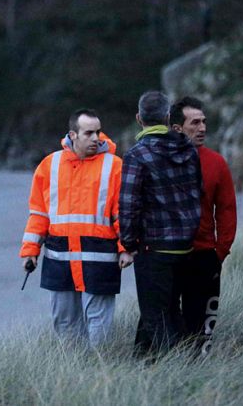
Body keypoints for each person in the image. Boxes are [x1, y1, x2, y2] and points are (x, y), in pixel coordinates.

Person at [19, 109, 132, 347]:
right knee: (65, 324)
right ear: (73, 134)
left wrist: (126, 248)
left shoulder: (114, 166)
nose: (96, 138)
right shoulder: (50, 165)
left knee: (99, 325)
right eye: (89, 133)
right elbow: (39, 213)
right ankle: (74, 375)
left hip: (99, 258)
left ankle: (101, 373)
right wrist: (30, 251)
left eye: (98, 132)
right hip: (60, 259)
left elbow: (123, 214)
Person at [119, 91, 202, 356]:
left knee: (156, 315)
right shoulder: (188, 149)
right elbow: (197, 192)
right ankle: (141, 362)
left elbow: (128, 205)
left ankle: (175, 368)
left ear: (138, 118)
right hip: (186, 246)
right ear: (168, 117)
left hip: (154, 249)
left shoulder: (137, 155)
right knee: (166, 308)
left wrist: (128, 243)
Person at [170, 97, 237, 357]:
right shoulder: (164, 160)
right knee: (169, 316)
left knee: (201, 322)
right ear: (178, 128)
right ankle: (169, 365)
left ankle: (199, 366)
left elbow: (227, 209)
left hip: (204, 254)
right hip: (169, 253)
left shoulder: (216, 162)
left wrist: (221, 251)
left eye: (204, 122)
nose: (202, 128)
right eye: (195, 123)